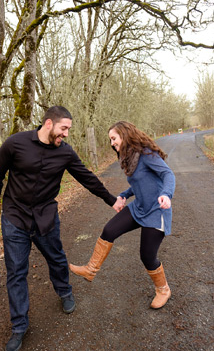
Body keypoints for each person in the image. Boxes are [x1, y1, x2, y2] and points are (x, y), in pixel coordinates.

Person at [0, 106, 118, 351]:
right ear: (48, 124)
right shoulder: (15, 143)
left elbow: (86, 178)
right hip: (15, 217)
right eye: (63, 128)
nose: (66, 134)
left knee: (57, 258)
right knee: (16, 271)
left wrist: (111, 200)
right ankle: (19, 326)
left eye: (68, 129)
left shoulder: (65, 153)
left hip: (46, 218)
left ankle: (65, 291)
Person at [70, 121, 176, 309]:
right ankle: (90, 270)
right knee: (109, 230)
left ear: (125, 135)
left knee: (147, 256)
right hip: (139, 208)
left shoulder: (146, 153)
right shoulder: (129, 157)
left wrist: (166, 195)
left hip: (156, 211)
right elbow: (140, 181)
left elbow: (168, 174)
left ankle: (163, 289)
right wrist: (125, 194)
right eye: (110, 139)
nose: (112, 143)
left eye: (114, 138)